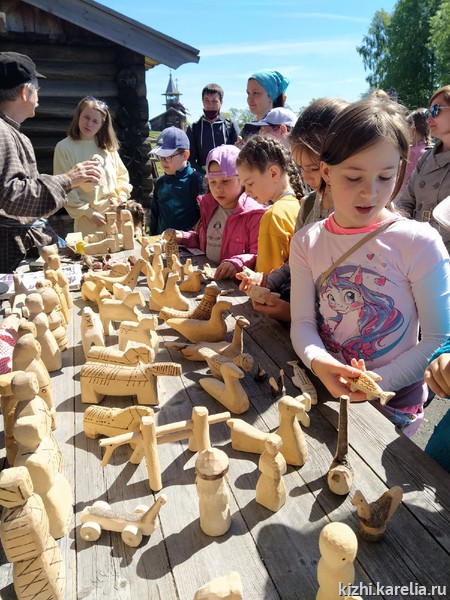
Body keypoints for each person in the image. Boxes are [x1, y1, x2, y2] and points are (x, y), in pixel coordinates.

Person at [290, 96, 450, 438]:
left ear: (401, 170)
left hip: (394, 406)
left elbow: (439, 338)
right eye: (353, 177)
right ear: (326, 172)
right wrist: (318, 361)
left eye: (385, 176)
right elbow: (302, 322)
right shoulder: (306, 241)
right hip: (324, 393)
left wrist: (375, 382)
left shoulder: (419, 242)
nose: (370, 193)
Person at [237, 98, 348, 322]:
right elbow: (297, 262)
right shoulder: (308, 205)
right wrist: (269, 281)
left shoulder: (355, 215)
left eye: (314, 168)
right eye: (300, 167)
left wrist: (291, 313)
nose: (306, 177)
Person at [0, 52, 102, 273]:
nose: (39, 95)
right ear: (25, 91)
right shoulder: (1, 132)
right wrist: (68, 179)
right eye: (37, 88)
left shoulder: (12, 132)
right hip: (8, 258)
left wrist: (71, 182)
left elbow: (27, 201)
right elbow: (12, 197)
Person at [173, 145, 266, 279]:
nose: (218, 188)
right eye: (212, 182)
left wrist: (237, 263)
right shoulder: (209, 207)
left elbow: (260, 255)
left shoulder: (255, 215)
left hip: (236, 288)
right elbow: (206, 241)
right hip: (210, 281)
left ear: (242, 179)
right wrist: (183, 237)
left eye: (225, 181)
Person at [53, 96, 132, 237]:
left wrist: (121, 197)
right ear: (78, 116)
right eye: (86, 117)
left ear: (102, 125)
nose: (89, 124)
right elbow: (65, 188)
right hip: (88, 222)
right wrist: (89, 213)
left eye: (95, 121)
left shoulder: (108, 148)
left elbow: (122, 176)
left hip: (116, 218)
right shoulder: (64, 147)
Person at [236, 135, 304, 275]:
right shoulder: (300, 205)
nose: (247, 191)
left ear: (273, 173)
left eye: (250, 183)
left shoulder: (273, 216)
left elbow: (266, 278)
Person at [396, 85, 450, 251]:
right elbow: (406, 202)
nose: (428, 119)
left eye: (435, 110)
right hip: (418, 249)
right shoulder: (426, 158)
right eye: (427, 113)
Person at [149, 126, 202, 236]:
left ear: (185, 155)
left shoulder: (197, 181)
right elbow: (154, 217)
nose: (163, 161)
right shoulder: (160, 183)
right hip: (162, 242)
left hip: (189, 244)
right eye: (160, 156)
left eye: (168, 156)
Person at [186, 83, 240, 173]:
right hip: (203, 177)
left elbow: (239, 154)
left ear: (221, 102)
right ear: (202, 101)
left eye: (214, 101)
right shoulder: (193, 128)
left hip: (228, 175)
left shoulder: (231, 126)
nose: (210, 104)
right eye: (207, 100)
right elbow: (190, 159)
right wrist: (203, 176)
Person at [239, 69, 290, 143]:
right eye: (248, 93)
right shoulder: (248, 129)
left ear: (271, 96)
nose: (249, 98)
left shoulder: (282, 129)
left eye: (255, 93)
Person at [403, 108, 433, 185]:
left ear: (412, 127)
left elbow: (403, 180)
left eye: (406, 126)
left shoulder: (414, 152)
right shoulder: (428, 149)